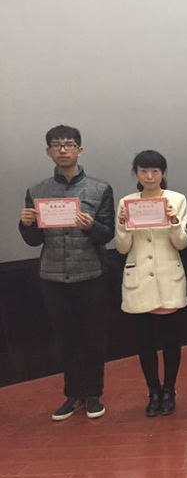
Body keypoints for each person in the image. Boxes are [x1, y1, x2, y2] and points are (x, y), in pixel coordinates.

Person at [19, 125, 114, 420]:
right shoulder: (37, 191)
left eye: (69, 144)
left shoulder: (100, 189)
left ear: (79, 150)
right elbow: (33, 240)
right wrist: (26, 224)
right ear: (48, 152)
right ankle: (73, 394)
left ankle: (93, 394)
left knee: (93, 338)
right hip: (53, 276)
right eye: (57, 145)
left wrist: (91, 227)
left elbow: (107, 234)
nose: (63, 150)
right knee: (65, 340)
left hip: (91, 274)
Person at [116, 150, 187, 415]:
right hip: (138, 278)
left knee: (171, 341)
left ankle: (169, 389)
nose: (149, 176)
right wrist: (124, 226)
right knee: (144, 343)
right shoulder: (127, 202)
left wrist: (173, 222)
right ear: (136, 173)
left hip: (168, 277)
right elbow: (122, 248)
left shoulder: (176, 200)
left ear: (163, 173)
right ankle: (153, 391)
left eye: (155, 171)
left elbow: (182, 243)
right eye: (143, 171)